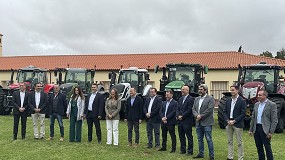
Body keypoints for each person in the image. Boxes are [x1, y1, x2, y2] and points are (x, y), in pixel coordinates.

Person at [249, 90, 278, 160]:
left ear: (265, 96)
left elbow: (274, 120)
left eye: (260, 95)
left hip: (265, 129)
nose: (258, 96)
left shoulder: (272, 105)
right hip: (257, 128)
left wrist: (270, 132)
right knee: (259, 147)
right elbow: (253, 118)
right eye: (258, 95)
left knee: (267, 147)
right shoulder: (256, 104)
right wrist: (251, 129)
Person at [223, 85, 246, 160]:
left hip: (237, 123)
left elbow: (243, 113)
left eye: (233, 90)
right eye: (231, 90)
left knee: (239, 142)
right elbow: (224, 112)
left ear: (237, 90)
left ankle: (240, 158)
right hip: (228, 122)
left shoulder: (242, 101)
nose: (231, 92)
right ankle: (230, 157)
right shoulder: (228, 100)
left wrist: (234, 121)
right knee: (229, 141)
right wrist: (227, 120)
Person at [192, 84, 215, 160]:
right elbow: (193, 109)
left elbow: (209, 109)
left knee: (208, 139)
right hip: (198, 122)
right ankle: (201, 153)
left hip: (207, 122)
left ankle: (211, 155)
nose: (199, 91)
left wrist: (200, 116)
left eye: (201, 89)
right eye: (199, 89)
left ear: (205, 90)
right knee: (199, 139)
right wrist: (196, 115)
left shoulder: (210, 98)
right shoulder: (196, 99)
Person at [176, 85, 194, 155]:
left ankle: (190, 151)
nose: (182, 91)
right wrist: (177, 115)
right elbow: (177, 108)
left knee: (189, 136)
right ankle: (183, 149)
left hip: (187, 121)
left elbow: (189, 110)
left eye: (183, 89)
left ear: (187, 90)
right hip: (180, 121)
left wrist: (182, 116)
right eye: (181, 89)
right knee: (181, 136)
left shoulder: (191, 99)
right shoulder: (180, 99)